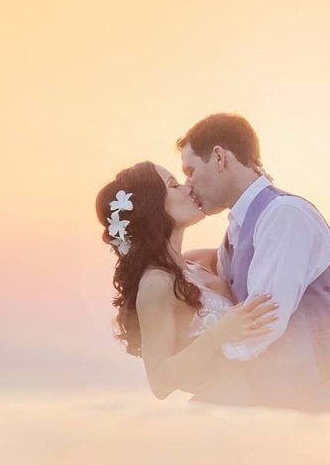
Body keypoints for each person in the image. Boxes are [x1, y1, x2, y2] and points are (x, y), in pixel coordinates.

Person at [178, 113, 330, 412]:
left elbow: (263, 321)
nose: (188, 184)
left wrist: (198, 366)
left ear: (220, 158)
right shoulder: (237, 229)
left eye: (190, 170)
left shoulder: (285, 215)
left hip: (316, 407)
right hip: (273, 409)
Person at [95, 161, 279, 400]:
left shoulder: (197, 262)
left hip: (256, 405)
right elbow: (159, 383)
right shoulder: (156, 284)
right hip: (217, 415)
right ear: (152, 208)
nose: (188, 187)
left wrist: (252, 183)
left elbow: (255, 242)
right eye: (174, 185)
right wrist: (219, 334)